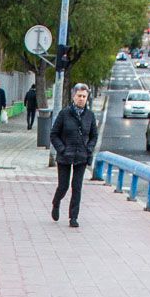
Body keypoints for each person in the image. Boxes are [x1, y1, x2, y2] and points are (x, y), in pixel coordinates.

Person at [48, 83, 97, 228]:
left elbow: (94, 136)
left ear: (87, 98)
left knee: (77, 186)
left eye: (84, 96)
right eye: (79, 96)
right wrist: (61, 149)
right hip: (65, 155)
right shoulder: (64, 114)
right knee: (63, 186)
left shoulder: (90, 116)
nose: (81, 99)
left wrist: (89, 148)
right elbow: (54, 134)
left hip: (81, 156)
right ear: (73, 97)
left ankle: (73, 217)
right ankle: (56, 203)